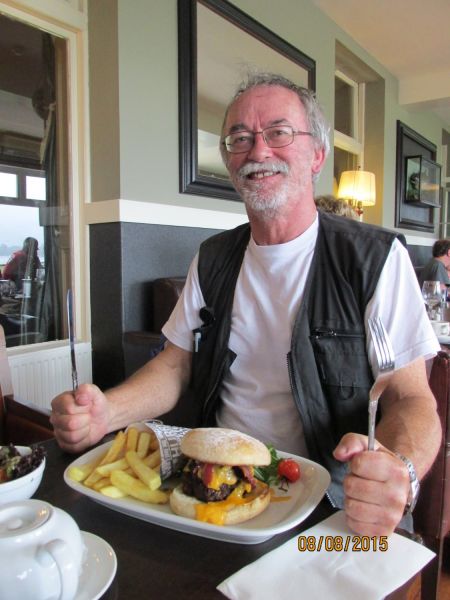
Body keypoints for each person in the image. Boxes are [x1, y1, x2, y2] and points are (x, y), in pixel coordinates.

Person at [51, 73, 441, 537]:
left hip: (331, 510)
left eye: (278, 133)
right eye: (240, 138)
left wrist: (399, 470)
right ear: (229, 161)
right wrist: (105, 412)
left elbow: (411, 398)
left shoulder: (374, 259)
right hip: (214, 493)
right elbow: (174, 365)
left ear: (317, 155)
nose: (258, 150)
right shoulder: (213, 258)